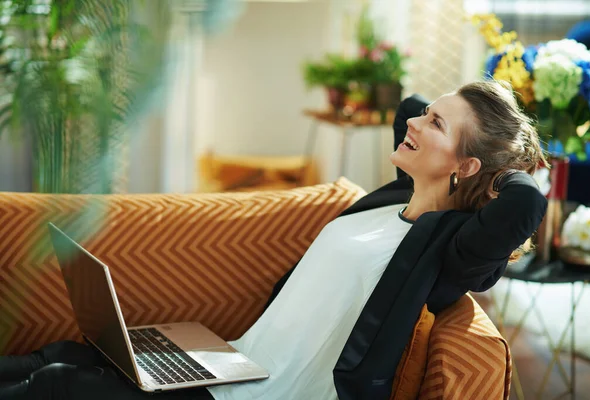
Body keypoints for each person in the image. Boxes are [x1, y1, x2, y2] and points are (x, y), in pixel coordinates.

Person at [0, 80, 548, 400]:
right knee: (55, 356)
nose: (416, 124)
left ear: (468, 164)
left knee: (59, 384)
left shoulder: (445, 249)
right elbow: (408, 104)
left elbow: (525, 204)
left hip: (271, 395)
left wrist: (500, 166)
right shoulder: (393, 199)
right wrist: (443, 120)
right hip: (235, 367)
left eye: (437, 127)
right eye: (428, 117)